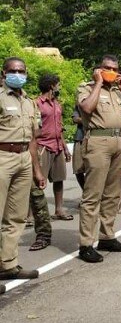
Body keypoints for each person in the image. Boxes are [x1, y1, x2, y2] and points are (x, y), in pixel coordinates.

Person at [76, 55, 121, 263]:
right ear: (98, 69)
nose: (111, 71)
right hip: (97, 141)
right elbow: (86, 108)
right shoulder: (86, 88)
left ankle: (107, 236)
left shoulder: (118, 92)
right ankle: (86, 244)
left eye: (114, 69)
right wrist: (99, 82)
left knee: (113, 193)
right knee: (93, 194)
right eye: (106, 68)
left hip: (117, 142)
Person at [0, 57, 44, 281]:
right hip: (2, 156)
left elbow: (34, 138)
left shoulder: (29, 102)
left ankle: (8, 265)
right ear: (4, 73)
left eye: (21, 71)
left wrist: (36, 170)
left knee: (16, 216)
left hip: (24, 157)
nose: (18, 74)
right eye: (13, 71)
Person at [28, 74, 71, 251]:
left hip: (57, 145)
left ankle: (59, 209)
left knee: (59, 179)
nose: (59, 87)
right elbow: (33, 128)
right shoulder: (36, 103)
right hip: (42, 146)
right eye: (58, 84)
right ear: (51, 86)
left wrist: (66, 147)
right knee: (37, 183)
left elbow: (59, 126)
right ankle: (30, 216)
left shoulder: (57, 105)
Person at [71, 105, 85, 189]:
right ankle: (86, 193)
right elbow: (75, 119)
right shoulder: (80, 103)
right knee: (78, 169)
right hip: (80, 138)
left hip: (96, 139)